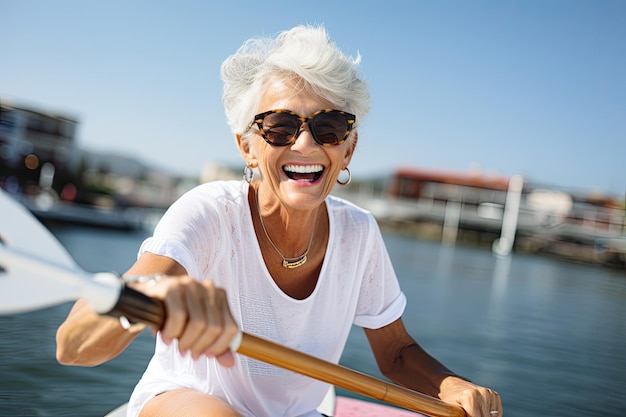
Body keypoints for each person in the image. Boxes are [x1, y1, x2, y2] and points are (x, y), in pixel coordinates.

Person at [56, 25, 503, 417]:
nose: (305, 144)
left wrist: (454, 386)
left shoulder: (359, 234)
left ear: (347, 149)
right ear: (247, 147)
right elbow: (71, 347)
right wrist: (152, 295)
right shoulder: (210, 213)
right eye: (280, 126)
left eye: (328, 127)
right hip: (184, 401)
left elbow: (397, 352)